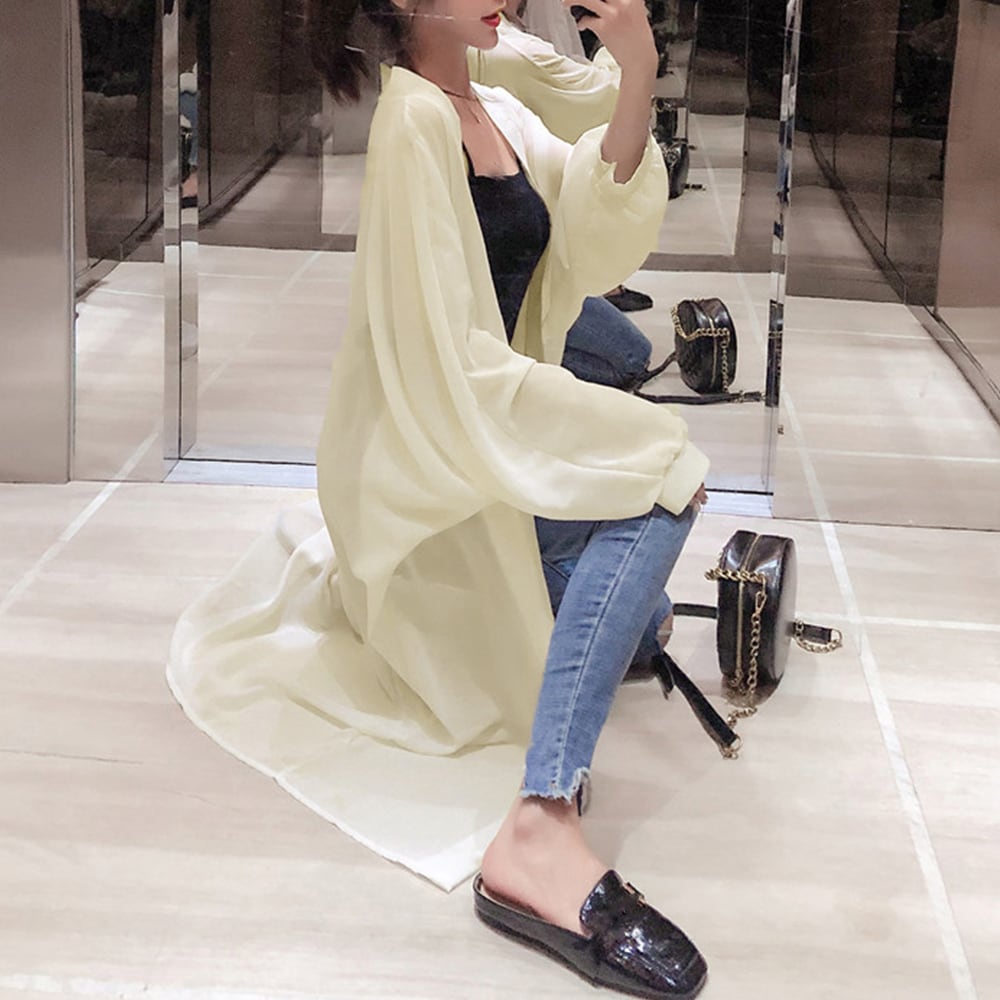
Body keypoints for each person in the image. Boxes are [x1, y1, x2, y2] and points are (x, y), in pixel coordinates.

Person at [168, 0, 709, 996]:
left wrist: (635, 69)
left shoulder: (484, 94)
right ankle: (540, 825)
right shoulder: (413, 120)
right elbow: (443, 364)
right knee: (664, 475)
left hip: (479, 415)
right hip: (430, 454)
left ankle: (583, 604)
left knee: (628, 479)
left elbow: (593, 238)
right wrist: (591, 440)